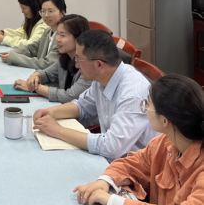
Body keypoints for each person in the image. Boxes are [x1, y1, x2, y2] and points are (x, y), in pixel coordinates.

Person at [74, 75, 204, 205]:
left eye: (147, 104)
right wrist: (105, 181)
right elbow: (131, 164)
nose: (144, 109)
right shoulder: (165, 143)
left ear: (164, 120)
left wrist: (114, 203)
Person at [33, 30, 158, 162]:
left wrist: (58, 131)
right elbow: (82, 106)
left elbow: (112, 147)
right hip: (113, 161)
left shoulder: (132, 93)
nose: (76, 65)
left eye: (79, 60)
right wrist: (49, 112)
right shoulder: (103, 78)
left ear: (99, 64)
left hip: (137, 167)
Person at [14, 14, 92, 103]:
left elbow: (69, 97)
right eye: (57, 34)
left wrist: (35, 87)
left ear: (79, 38)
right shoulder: (66, 57)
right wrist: (36, 76)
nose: (57, 39)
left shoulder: (89, 65)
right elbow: (47, 74)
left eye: (62, 35)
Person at [0, 0, 66, 69]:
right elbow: (32, 48)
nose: (46, 15)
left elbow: (46, 64)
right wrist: (14, 53)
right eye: (43, 11)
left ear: (62, 13)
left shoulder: (63, 37)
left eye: (50, 11)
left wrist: (14, 58)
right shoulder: (48, 31)